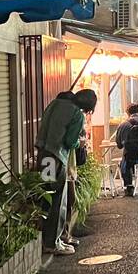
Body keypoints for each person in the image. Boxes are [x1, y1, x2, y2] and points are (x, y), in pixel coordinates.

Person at [34, 88, 96, 254]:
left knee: (45, 197)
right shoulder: (77, 114)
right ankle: (52, 243)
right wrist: (79, 144)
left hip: (43, 156)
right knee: (57, 200)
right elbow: (69, 141)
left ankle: (44, 240)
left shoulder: (54, 104)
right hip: (57, 157)